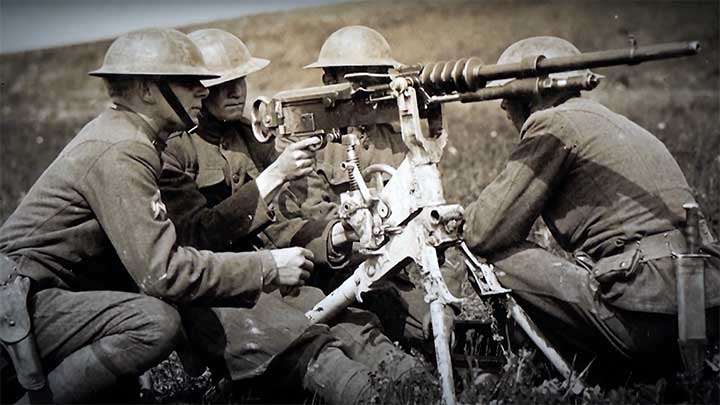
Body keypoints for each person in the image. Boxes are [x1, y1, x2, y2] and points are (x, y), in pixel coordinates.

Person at [0, 28, 311, 403]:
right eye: (187, 81)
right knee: (153, 324)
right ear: (148, 89)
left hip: (46, 298)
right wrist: (266, 267)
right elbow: (163, 274)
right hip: (20, 306)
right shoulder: (122, 150)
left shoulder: (130, 137)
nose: (203, 89)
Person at [159, 28, 429, 404]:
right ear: (198, 90)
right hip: (219, 291)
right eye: (221, 84)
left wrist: (337, 235)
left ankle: (427, 390)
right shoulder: (174, 151)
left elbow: (283, 223)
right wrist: (274, 176)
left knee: (356, 329)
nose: (236, 91)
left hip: (282, 277)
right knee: (314, 353)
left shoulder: (253, 139)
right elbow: (193, 238)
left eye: (240, 80)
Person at [462, 36, 719, 382]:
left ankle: (522, 360)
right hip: (704, 309)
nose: (503, 106)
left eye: (507, 94)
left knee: (488, 253)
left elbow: (484, 232)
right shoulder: (615, 123)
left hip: (648, 313)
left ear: (532, 91)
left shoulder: (551, 124)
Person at [289, 25, 461, 350]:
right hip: (334, 277)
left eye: (376, 79)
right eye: (356, 81)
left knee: (441, 329)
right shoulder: (311, 145)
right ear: (329, 82)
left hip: (390, 273)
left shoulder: (400, 141)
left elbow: (433, 219)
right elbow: (314, 222)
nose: (368, 91)